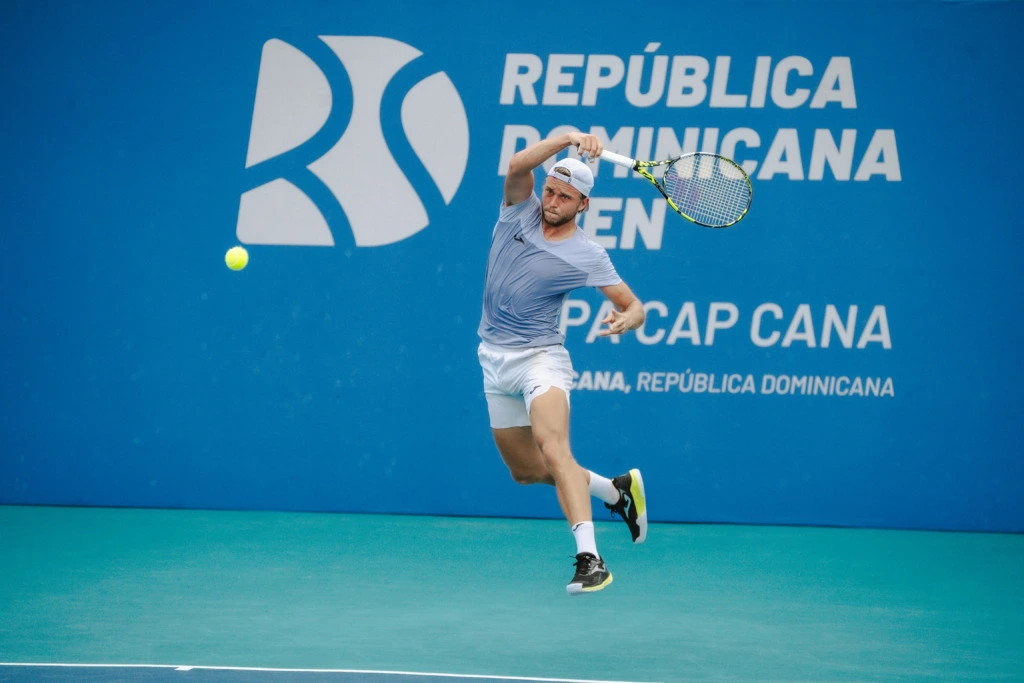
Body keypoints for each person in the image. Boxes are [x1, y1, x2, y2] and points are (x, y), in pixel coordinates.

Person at [477, 130, 648, 595]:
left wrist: (628, 318)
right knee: (527, 471)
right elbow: (516, 166)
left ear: (583, 205)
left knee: (555, 449)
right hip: (494, 359)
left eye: (564, 196)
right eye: (550, 190)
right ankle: (615, 492)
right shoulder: (518, 210)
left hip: (541, 359)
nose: (551, 200)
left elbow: (634, 305)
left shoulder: (588, 255)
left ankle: (590, 560)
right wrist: (566, 138)